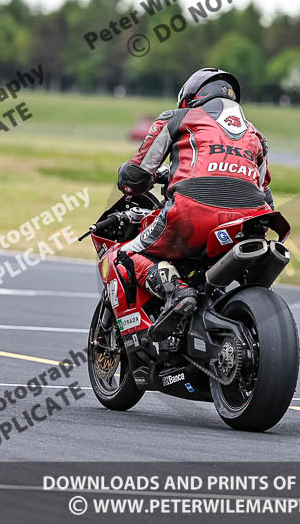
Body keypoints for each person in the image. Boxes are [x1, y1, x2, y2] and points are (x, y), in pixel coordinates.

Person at [114, 68, 274, 343]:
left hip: (192, 214)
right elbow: (265, 194)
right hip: (251, 222)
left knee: (124, 255)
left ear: (191, 95)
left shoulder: (177, 118)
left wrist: (130, 179)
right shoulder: (256, 135)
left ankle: (176, 291)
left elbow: (135, 176)